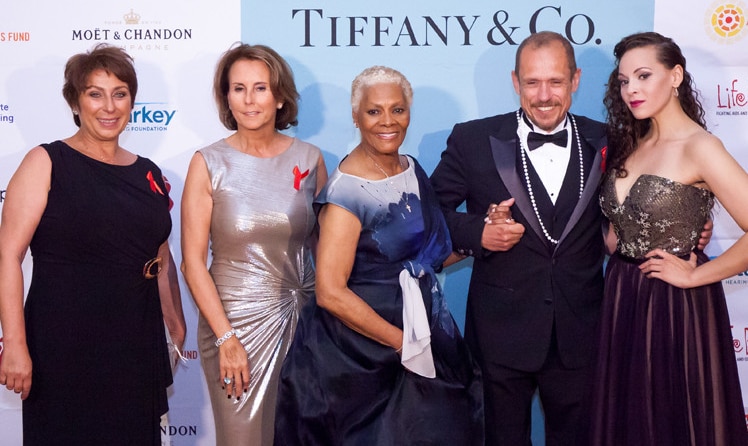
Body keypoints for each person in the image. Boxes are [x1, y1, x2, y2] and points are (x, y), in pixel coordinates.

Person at [274, 66, 483, 445]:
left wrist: (482, 236)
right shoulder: (346, 191)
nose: (388, 121)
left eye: (397, 109)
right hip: (358, 358)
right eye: (374, 111)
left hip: (422, 335)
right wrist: (403, 343)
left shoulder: (411, 168)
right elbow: (330, 293)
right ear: (356, 116)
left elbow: (427, 258)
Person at [0, 43, 185, 445]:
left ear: (132, 101)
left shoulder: (148, 172)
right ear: (75, 101)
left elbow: (160, 255)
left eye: (120, 94)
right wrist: (14, 343)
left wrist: (175, 323)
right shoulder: (46, 161)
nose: (109, 107)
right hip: (62, 343)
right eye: (95, 94)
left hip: (135, 341)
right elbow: (8, 257)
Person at [429, 31, 607, 445]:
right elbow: (428, 216)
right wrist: (480, 232)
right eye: (532, 82)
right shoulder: (472, 139)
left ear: (576, 79)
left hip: (581, 333)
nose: (544, 96)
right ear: (515, 82)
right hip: (499, 336)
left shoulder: (607, 140)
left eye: (556, 82)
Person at [587, 32, 748, 445]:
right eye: (624, 81)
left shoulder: (700, 146)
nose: (631, 89)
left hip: (675, 305)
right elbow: (616, 233)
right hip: (622, 298)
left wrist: (697, 275)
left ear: (675, 76)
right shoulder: (631, 144)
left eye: (643, 76)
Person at [180, 43, 327, 446]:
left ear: (279, 97)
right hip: (234, 328)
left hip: (304, 326)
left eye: (260, 88)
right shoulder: (208, 163)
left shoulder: (310, 159)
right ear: (227, 97)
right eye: (238, 88)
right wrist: (226, 339)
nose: (249, 100)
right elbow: (192, 263)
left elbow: (325, 249)